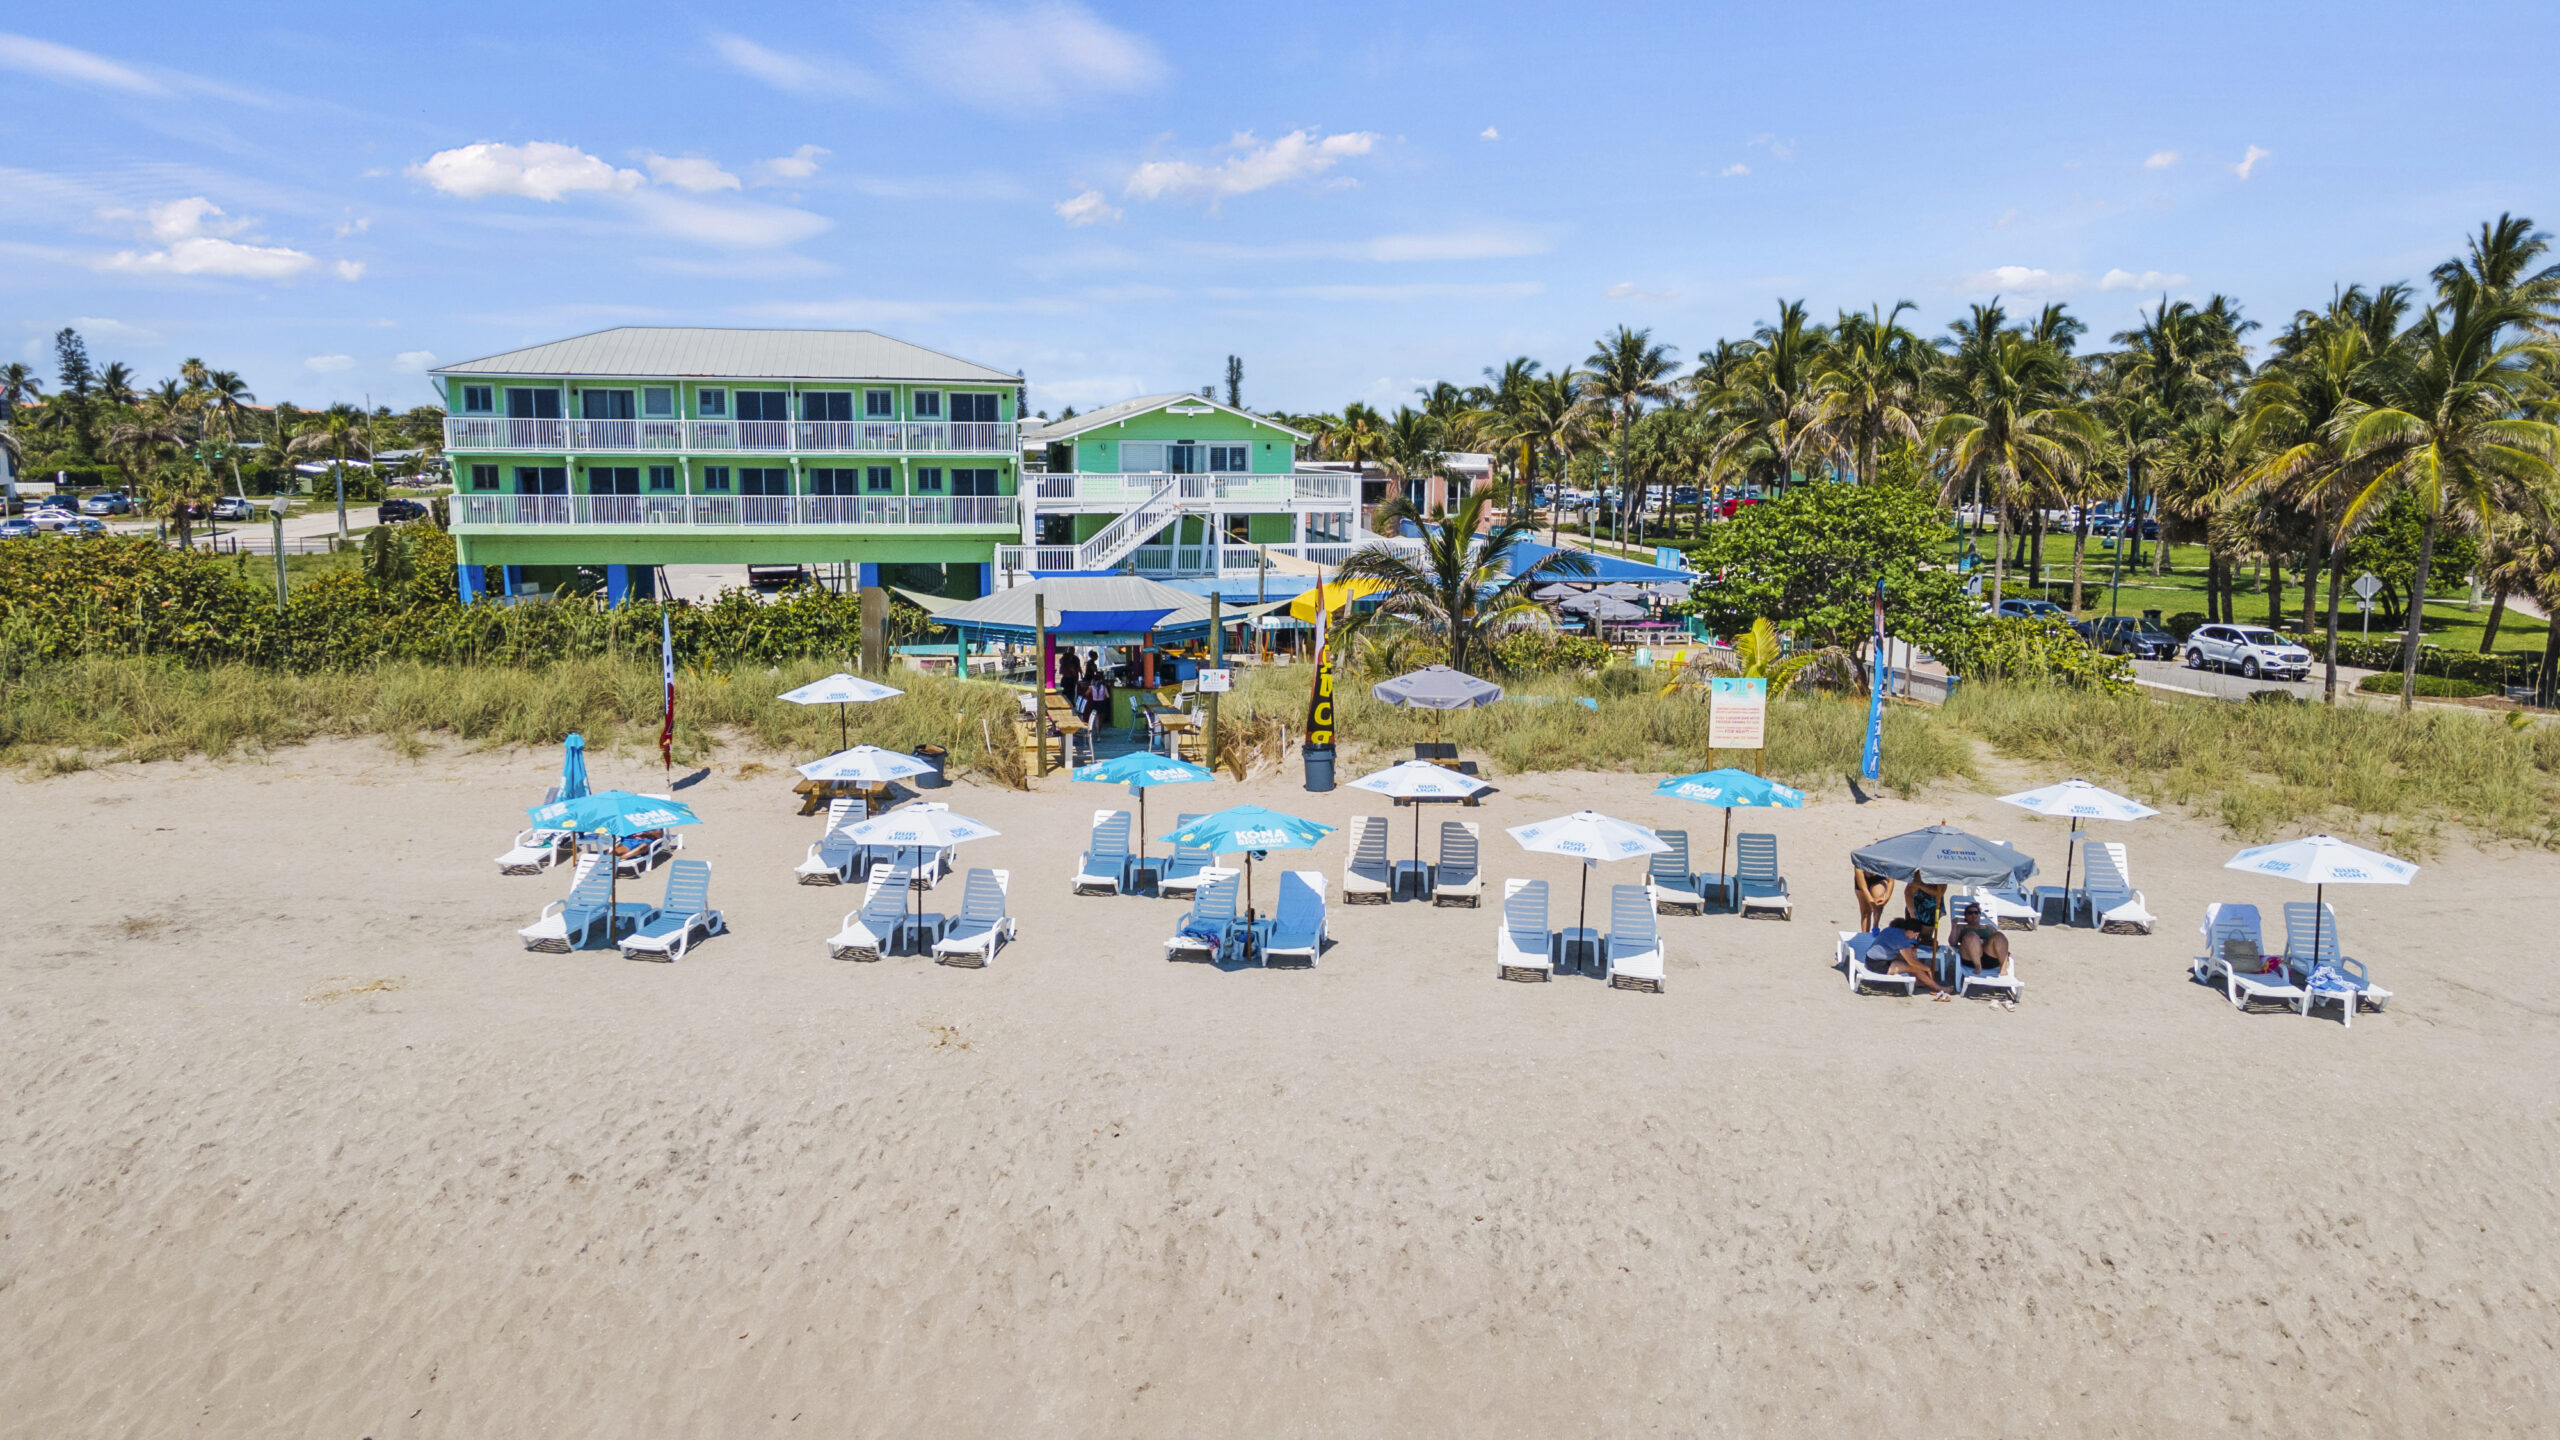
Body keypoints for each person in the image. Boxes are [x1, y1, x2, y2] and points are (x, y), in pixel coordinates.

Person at [1865, 917, 1950, 999]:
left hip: (1870, 959)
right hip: (1878, 965)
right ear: (1910, 931)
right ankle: (1938, 988)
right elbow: (1912, 962)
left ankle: (1919, 981)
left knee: (1911, 959)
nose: (1915, 937)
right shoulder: (1902, 940)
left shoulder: (1890, 929)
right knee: (1914, 968)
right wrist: (1927, 969)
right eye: (1916, 934)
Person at [1951, 897, 2012, 979]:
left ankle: (2003, 968)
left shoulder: (1989, 927)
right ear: (1965, 916)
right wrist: (1954, 926)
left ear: (1979, 915)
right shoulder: (1961, 927)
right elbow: (1952, 943)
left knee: (1999, 935)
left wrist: (2006, 953)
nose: (1974, 915)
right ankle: (1978, 966)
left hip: (1989, 957)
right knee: (1971, 936)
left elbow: (2000, 942)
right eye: (1970, 913)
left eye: (1976, 912)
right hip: (1970, 958)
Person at [1904, 876, 1946, 948]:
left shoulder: (1942, 875)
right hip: (1917, 908)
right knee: (1912, 938)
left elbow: (1940, 892)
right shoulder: (1920, 874)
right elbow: (1908, 892)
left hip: (1932, 910)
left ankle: (1922, 954)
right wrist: (1912, 913)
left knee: (1926, 940)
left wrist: (1920, 885)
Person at [1853, 868, 1895, 933]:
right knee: (1865, 912)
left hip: (1878, 879)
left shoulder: (1883, 863)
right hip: (1862, 881)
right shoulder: (1859, 865)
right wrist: (1872, 904)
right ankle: (1865, 934)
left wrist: (1886, 899)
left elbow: (1891, 881)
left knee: (1879, 900)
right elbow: (1864, 888)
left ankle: (1875, 926)